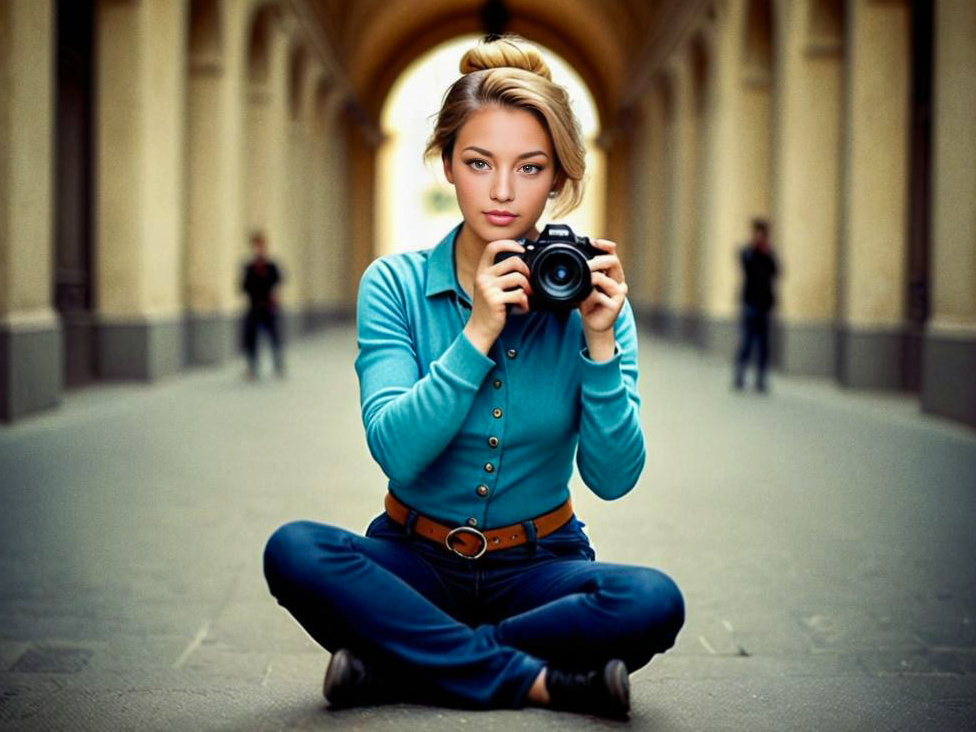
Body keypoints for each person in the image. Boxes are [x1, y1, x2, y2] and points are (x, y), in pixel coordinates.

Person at [263, 35, 684, 719]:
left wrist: (600, 341)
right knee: (295, 551)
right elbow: (395, 451)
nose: (501, 191)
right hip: (412, 560)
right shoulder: (394, 285)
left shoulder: (592, 300)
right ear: (448, 166)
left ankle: (401, 660)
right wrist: (477, 331)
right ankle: (541, 681)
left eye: (530, 167)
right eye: (479, 162)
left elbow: (613, 478)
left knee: (651, 601)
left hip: (541, 563)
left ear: (558, 179)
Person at [733, 219, 778, 392]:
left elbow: (776, 271)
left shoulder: (769, 253)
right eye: (757, 232)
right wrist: (757, 251)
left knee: (763, 345)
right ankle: (740, 376)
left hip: (764, 305)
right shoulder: (748, 252)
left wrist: (766, 253)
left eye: (762, 233)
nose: (759, 236)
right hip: (750, 304)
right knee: (747, 342)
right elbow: (746, 266)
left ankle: (761, 379)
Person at [242, 232, 284, 379]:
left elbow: (278, 280)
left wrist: (272, 296)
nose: (257, 249)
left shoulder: (271, 266)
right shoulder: (249, 267)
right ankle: (252, 368)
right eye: (255, 246)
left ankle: (278, 366)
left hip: (268, 307)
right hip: (254, 307)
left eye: (260, 245)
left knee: (274, 337)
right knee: (250, 337)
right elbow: (244, 286)